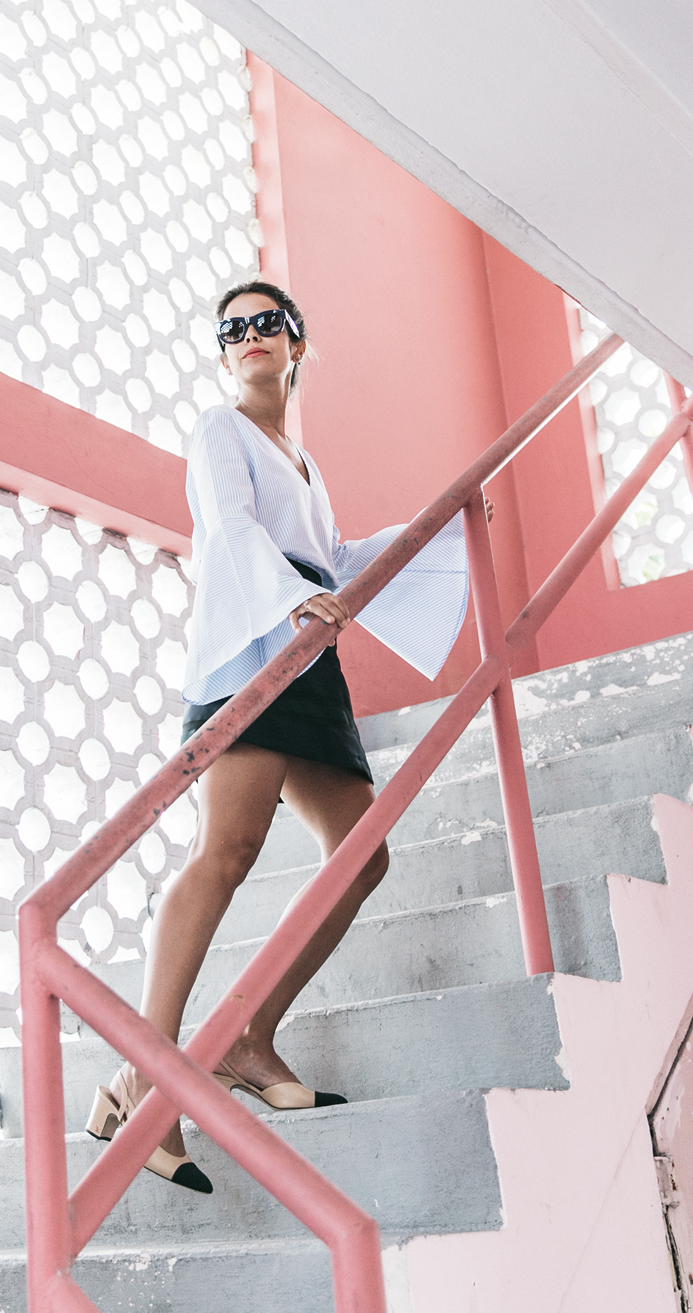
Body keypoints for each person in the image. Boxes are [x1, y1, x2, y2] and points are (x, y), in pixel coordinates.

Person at [86, 278, 470, 1192]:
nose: (250, 336)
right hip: (254, 641)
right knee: (228, 848)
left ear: (298, 344)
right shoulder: (219, 430)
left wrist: (436, 533)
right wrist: (296, 599)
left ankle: (250, 1037)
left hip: (311, 654)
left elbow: (332, 557)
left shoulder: (304, 460)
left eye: (268, 323)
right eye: (234, 329)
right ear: (225, 352)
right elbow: (229, 528)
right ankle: (146, 1078)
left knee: (362, 852)